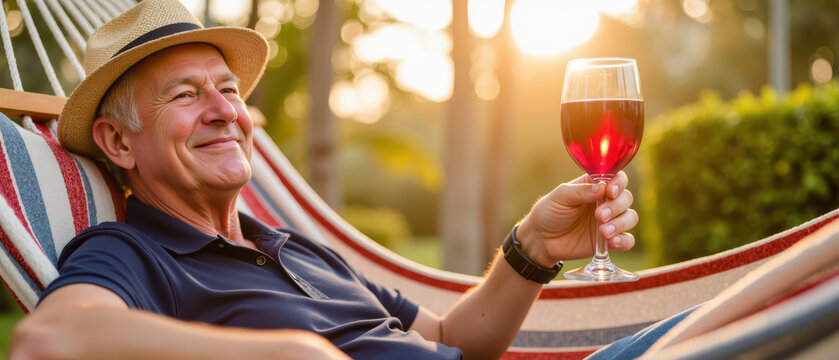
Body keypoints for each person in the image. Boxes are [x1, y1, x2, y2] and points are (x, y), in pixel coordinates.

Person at [8, 0, 638, 359]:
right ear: (119, 142)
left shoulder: (290, 245)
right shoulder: (133, 252)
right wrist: (286, 354)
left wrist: (533, 246)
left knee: (740, 302)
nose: (226, 109)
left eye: (227, 89)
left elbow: (450, 340)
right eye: (185, 95)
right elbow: (47, 337)